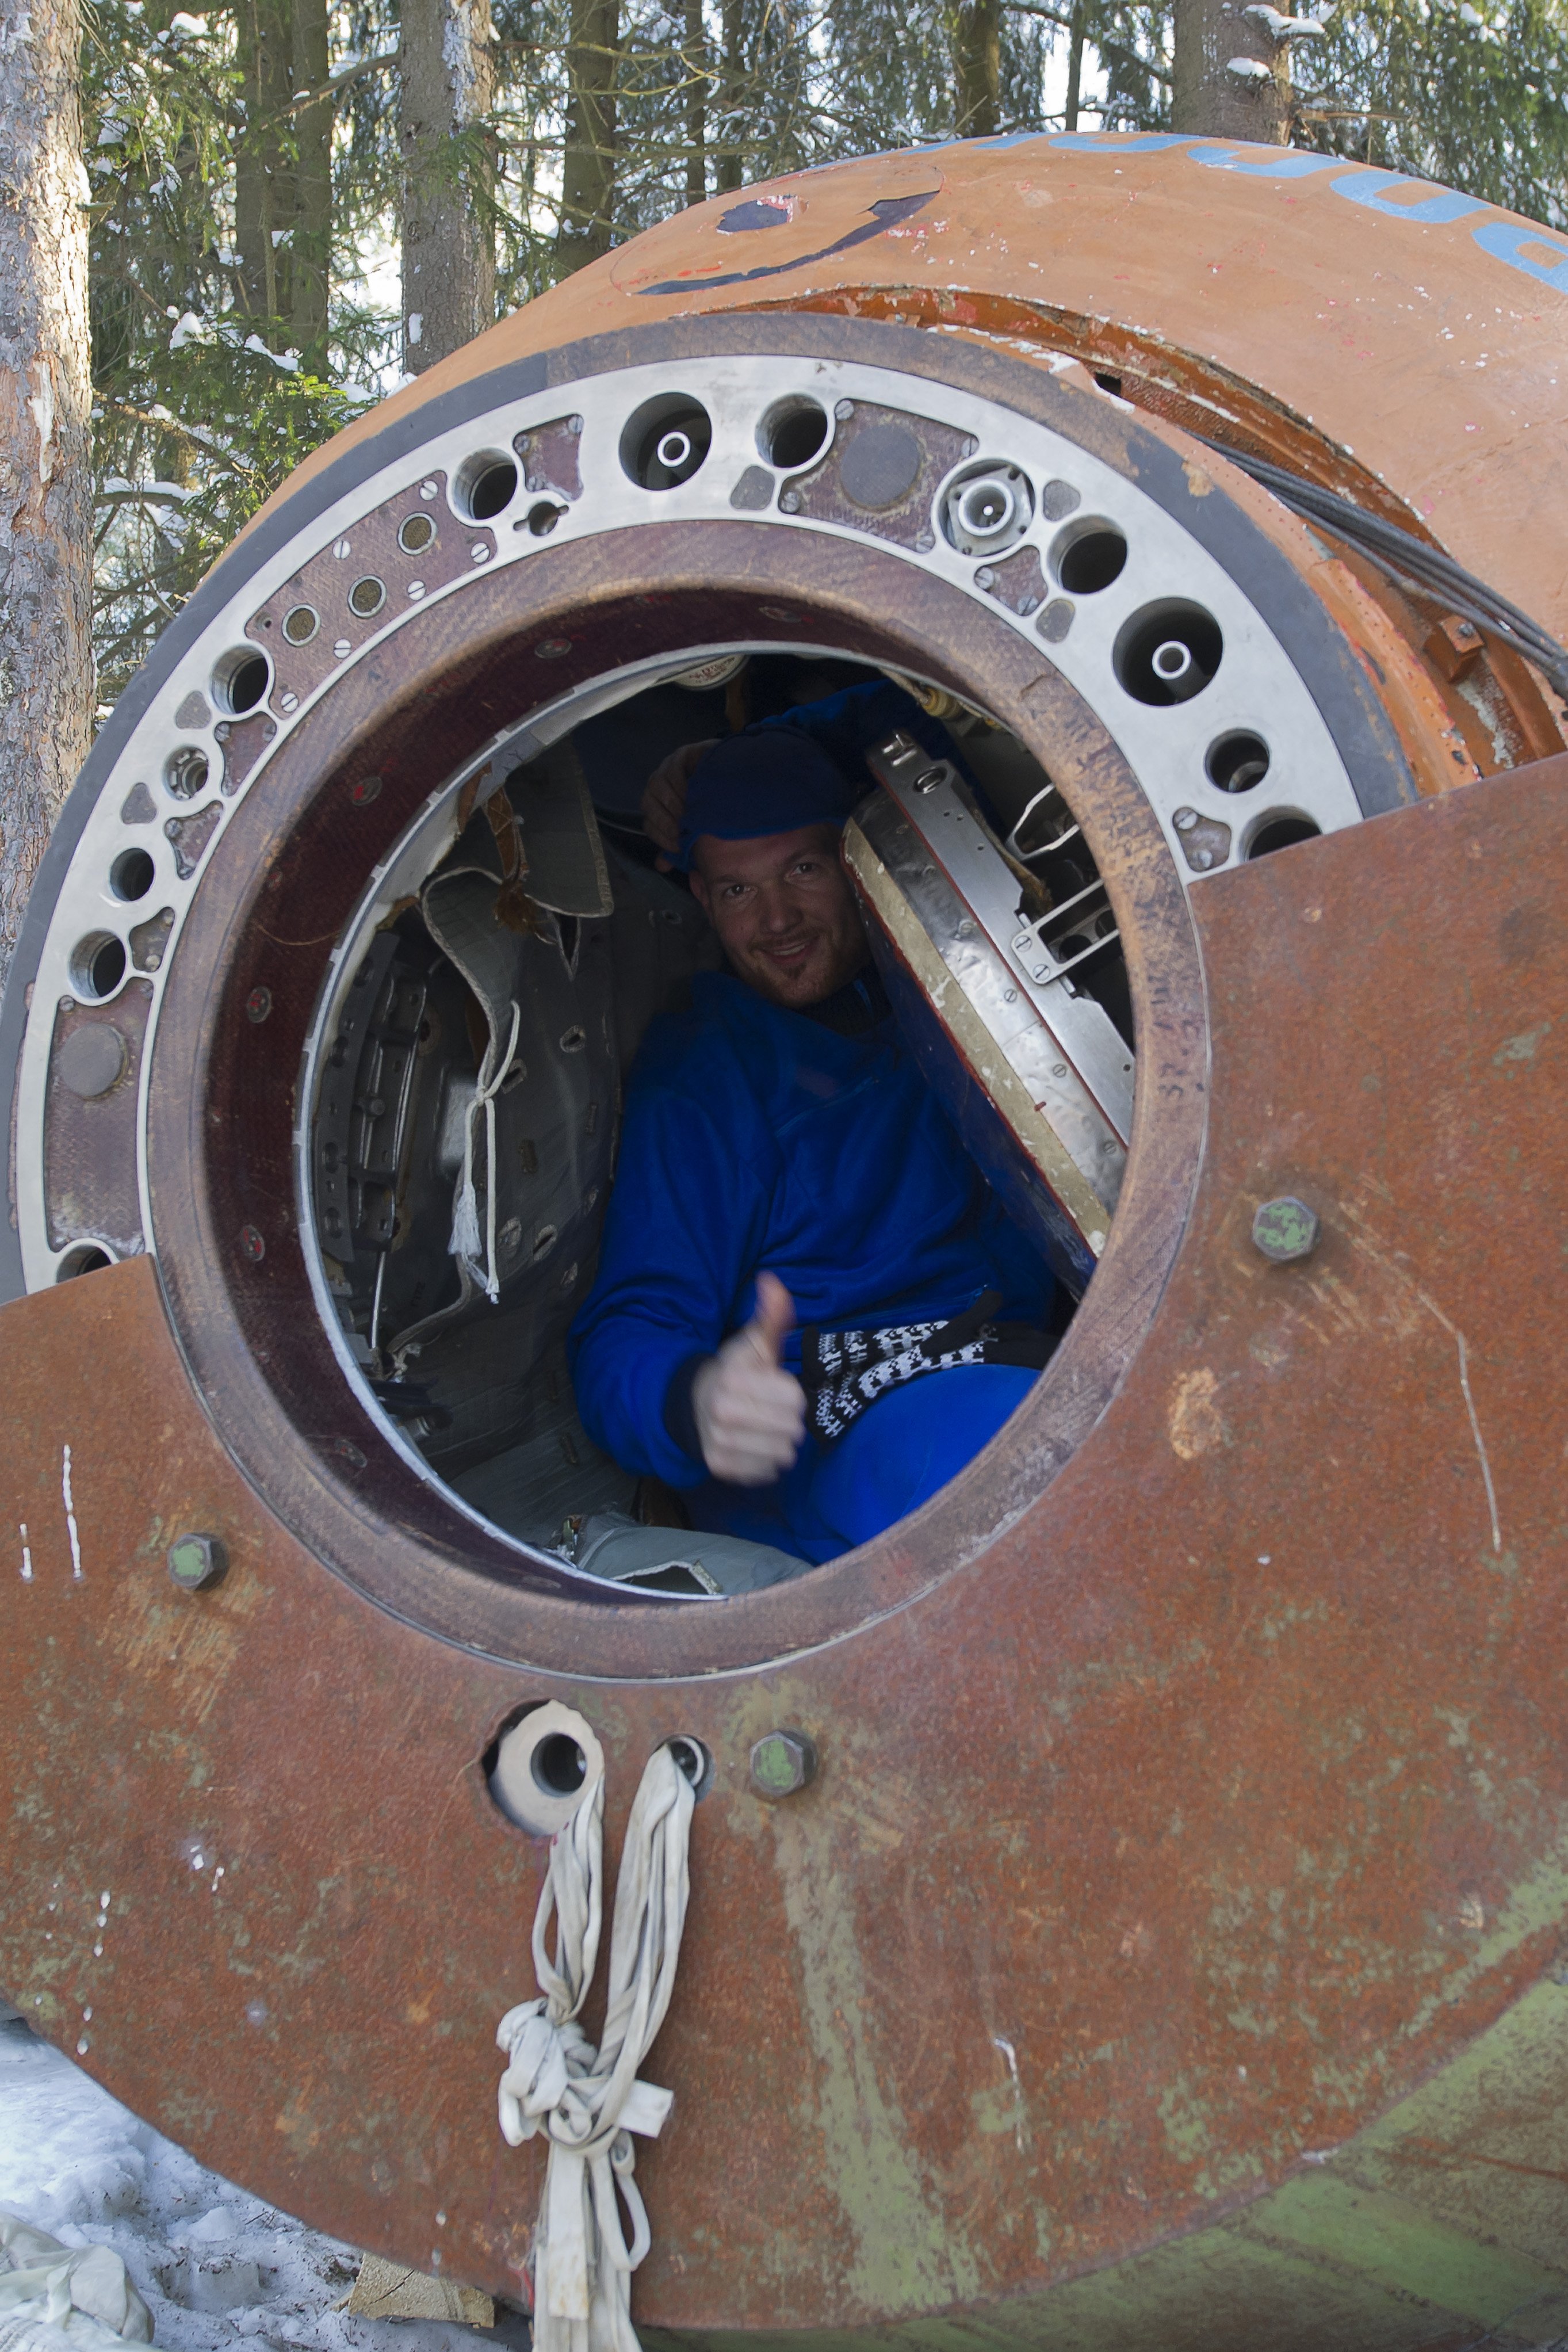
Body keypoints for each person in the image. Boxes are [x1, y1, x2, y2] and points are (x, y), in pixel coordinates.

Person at [567, 687, 1053, 1568]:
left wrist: (751, 741)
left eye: (801, 870)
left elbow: (906, 711)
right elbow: (628, 1327)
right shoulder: (707, 1076)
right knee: (1034, 1462)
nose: (775, 921)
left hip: (1019, 1360)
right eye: (736, 890)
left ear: (858, 859)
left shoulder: (940, 981)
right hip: (843, 1424)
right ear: (701, 901)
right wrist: (695, 1403)